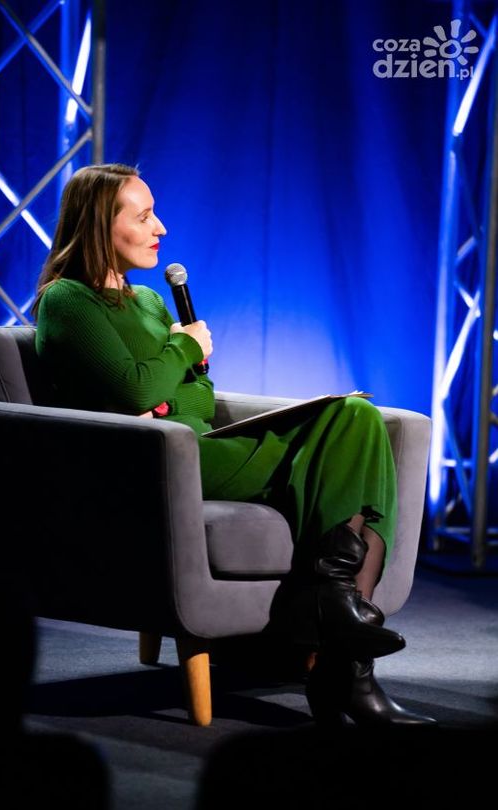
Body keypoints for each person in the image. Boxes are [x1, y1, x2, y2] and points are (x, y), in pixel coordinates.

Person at [33, 162, 435, 727]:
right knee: (344, 433)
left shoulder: (149, 302)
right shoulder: (68, 301)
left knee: (357, 416)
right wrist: (182, 352)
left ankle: (343, 656)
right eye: (144, 217)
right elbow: (137, 388)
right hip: (150, 463)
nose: (161, 228)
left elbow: (199, 396)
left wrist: (165, 389)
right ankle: (344, 669)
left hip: (197, 445)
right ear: (100, 224)